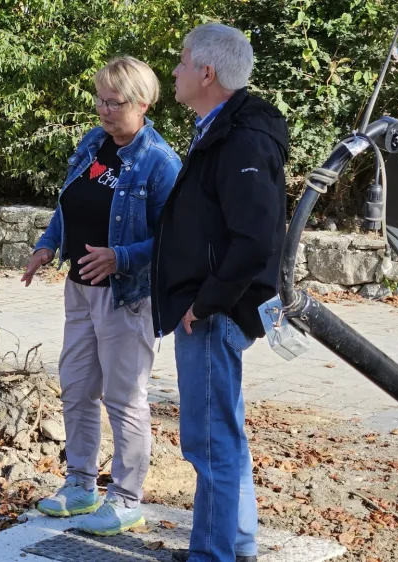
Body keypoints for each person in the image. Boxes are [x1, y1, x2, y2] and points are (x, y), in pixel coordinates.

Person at [22, 56, 181, 536]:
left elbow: (174, 239)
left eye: (114, 102)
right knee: (75, 386)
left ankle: (127, 498)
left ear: (143, 103)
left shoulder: (160, 162)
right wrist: (47, 245)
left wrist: (122, 257)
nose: (103, 111)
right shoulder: (93, 143)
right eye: (100, 100)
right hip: (79, 290)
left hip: (126, 296)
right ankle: (80, 485)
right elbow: (67, 204)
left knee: (124, 397)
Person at [152, 23, 289, 562]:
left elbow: (255, 239)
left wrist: (204, 301)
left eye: (183, 62)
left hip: (212, 312)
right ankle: (238, 544)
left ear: (207, 72)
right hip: (210, 307)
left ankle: (214, 556)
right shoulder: (224, 128)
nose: (177, 71)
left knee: (209, 442)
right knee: (224, 436)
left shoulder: (241, 137)